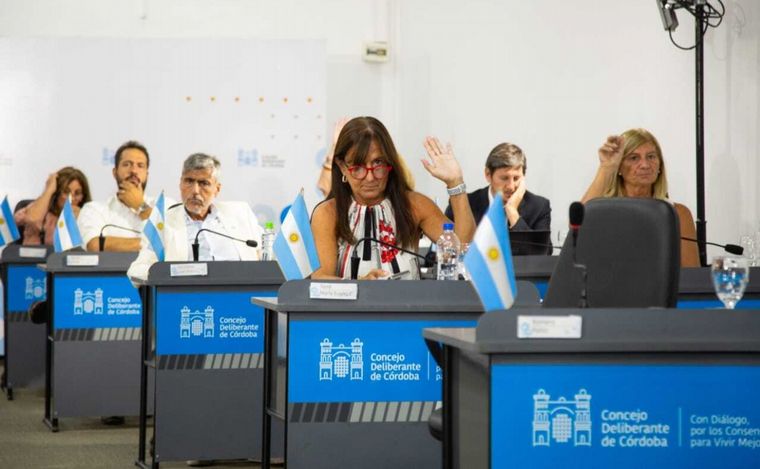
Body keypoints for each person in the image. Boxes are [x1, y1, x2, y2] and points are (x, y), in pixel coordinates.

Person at [311, 116, 475, 280]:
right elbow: (320, 280)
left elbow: (464, 249)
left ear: (390, 163)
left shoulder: (415, 204)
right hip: (351, 299)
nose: (370, 177)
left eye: (378, 163)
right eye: (358, 167)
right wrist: (360, 285)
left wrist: (455, 183)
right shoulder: (327, 213)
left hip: (410, 298)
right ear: (342, 167)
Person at [127, 152, 263, 283]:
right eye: (189, 181)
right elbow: (137, 270)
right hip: (187, 294)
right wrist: (169, 273)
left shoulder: (240, 213)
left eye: (204, 183)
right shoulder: (163, 223)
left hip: (240, 291)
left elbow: (267, 255)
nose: (195, 190)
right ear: (180, 184)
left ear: (217, 189)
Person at [581, 128, 699, 267]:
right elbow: (578, 228)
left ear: (660, 165)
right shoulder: (604, 212)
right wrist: (607, 168)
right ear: (619, 167)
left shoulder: (678, 214)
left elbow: (691, 273)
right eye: (634, 158)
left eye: (651, 156)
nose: (645, 165)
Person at [445, 142, 551, 231]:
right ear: (488, 174)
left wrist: (512, 212)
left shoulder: (539, 207)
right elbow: (444, 245)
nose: (511, 187)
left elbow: (541, 249)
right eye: (504, 178)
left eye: (516, 178)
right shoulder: (464, 204)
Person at [78, 140, 156, 252]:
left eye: (140, 165)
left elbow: (172, 243)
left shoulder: (165, 206)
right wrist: (152, 244)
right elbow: (94, 245)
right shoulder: (94, 209)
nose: (134, 170)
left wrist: (141, 206)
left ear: (147, 174)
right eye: (127, 164)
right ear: (115, 172)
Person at [13, 167, 92, 245]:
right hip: (32, 253)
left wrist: (78, 220)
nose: (71, 199)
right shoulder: (37, 208)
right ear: (57, 193)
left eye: (77, 193)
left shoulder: (86, 216)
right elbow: (33, 219)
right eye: (66, 192)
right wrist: (49, 189)